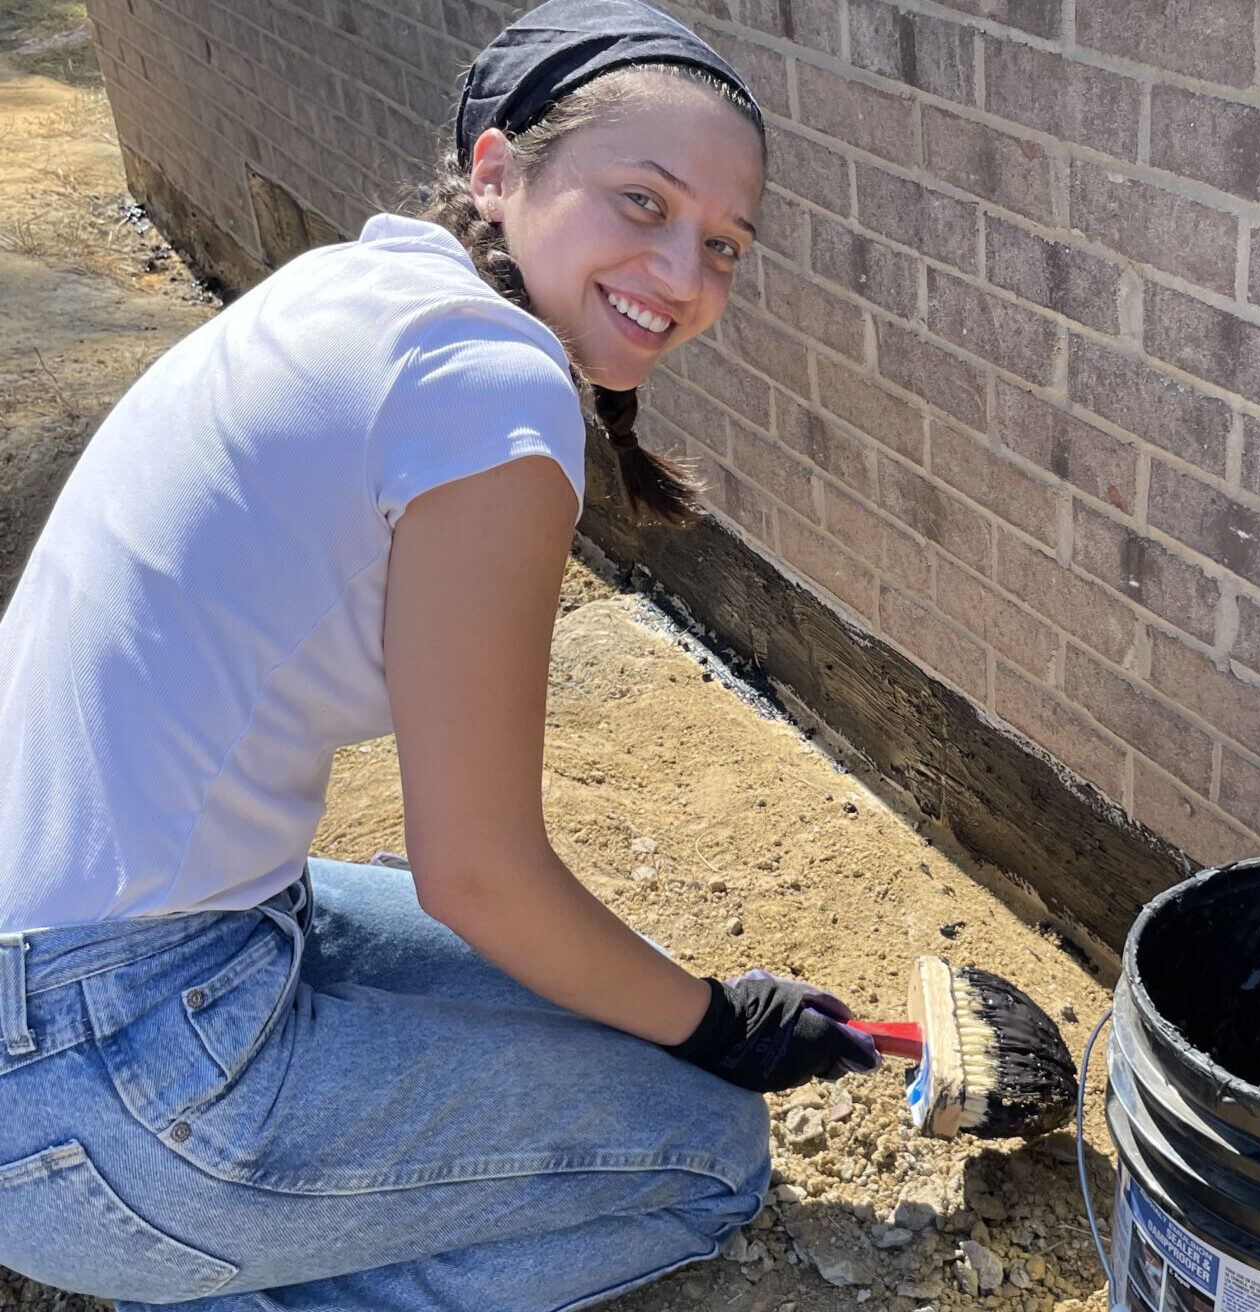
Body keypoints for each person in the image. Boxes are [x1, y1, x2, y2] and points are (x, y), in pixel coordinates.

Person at [0, 1, 880, 1306]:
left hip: (87, 985)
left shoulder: (358, 283)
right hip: (105, 1089)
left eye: (723, 245)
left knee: (581, 997)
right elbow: (480, 874)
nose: (687, 274)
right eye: (641, 201)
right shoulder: (493, 391)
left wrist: (689, 1004)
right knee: (704, 1142)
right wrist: (716, 1023)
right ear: (496, 170)